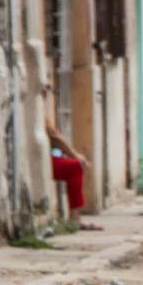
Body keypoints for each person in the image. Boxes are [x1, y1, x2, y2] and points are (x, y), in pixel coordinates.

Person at [44, 84, 102, 231]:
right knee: (75, 167)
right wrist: (76, 155)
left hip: (43, 159)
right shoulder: (38, 112)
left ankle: (73, 217)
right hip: (41, 163)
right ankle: (75, 218)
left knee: (73, 165)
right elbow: (55, 137)